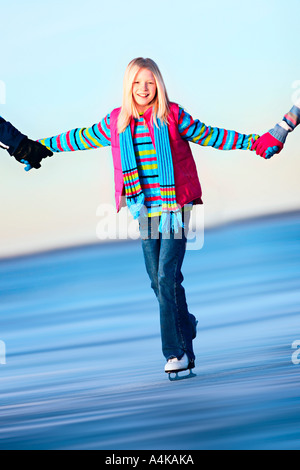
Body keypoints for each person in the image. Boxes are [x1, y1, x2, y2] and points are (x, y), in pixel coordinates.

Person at [35, 57, 261, 378]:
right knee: (158, 283)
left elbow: (213, 135)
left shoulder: (172, 116)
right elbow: (79, 137)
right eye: (137, 82)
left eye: (150, 82)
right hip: (144, 210)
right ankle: (187, 326)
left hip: (175, 209)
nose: (144, 88)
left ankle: (175, 352)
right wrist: (36, 147)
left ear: (159, 85)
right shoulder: (117, 123)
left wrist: (254, 142)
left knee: (167, 277)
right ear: (128, 86)